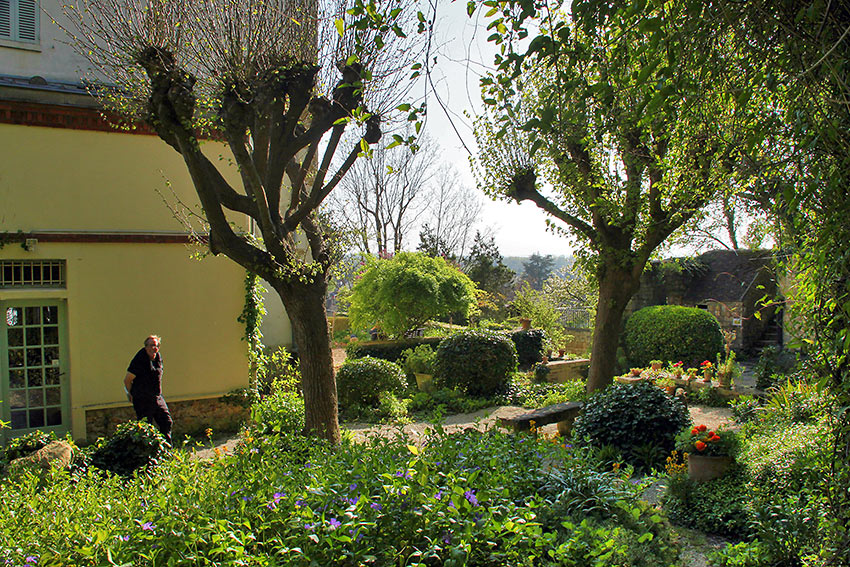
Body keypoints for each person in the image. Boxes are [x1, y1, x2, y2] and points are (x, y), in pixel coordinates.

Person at [124, 334, 173, 444]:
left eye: (155, 346)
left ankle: (167, 451)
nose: (153, 348)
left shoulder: (158, 358)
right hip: (142, 398)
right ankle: (146, 455)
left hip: (156, 396)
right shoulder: (139, 360)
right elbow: (127, 380)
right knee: (145, 428)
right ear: (145, 347)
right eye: (150, 345)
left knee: (166, 421)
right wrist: (131, 394)